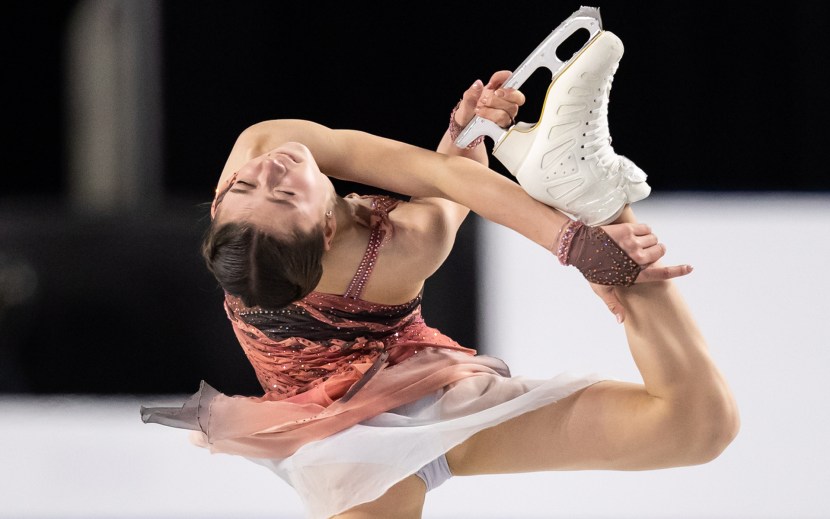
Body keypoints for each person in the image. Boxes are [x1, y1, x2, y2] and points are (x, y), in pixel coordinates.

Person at [141, 67, 739, 519]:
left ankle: (597, 201)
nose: (270, 169)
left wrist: (469, 133)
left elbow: (443, 174)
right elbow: (448, 187)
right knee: (698, 430)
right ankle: (601, 216)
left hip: (424, 394)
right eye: (284, 194)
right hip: (340, 440)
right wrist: (575, 244)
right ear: (325, 229)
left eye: (246, 185)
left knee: (698, 427)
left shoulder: (258, 152)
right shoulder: (399, 249)